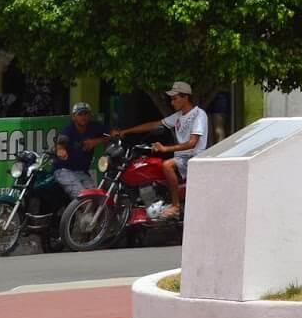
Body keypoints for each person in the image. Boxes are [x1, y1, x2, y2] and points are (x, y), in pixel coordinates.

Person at [113, 81, 208, 218]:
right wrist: (127, 131)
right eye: (171, 99)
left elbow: (193, 143)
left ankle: (175, 206)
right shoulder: (178, 116)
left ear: (185, 97)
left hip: (194, 157)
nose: (172, 102)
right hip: (181, 158)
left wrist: (165, 148)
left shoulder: (199, 114)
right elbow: (155, 124)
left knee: (166, 165)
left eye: (175, 98)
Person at [52, 102, 109, 198]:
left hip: (82, 172)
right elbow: (60, 145)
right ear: (74, 117)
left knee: (97, 198)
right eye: (80, 114)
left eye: (86, 114)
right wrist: (61, 150)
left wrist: (96, 141)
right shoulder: (68, 130)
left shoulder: (94, 127)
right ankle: (80, 213)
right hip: (65, 171)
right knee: (82, 196)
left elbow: (114, 134)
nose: (83, 117)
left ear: (90, 115)